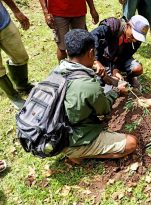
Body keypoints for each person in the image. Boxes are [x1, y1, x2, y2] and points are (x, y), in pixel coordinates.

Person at [54, 29, 137, 164]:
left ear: (68, 52)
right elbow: (103, 109)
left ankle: (75, 150)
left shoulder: (57, 71)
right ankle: (79, 153)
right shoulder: (87, 84)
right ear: (92, 52)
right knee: (131, 143)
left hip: (55, 134)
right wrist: (116, 91)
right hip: (72, 139)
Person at [91, 15, 149, 88]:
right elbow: (92, 37)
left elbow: (126, 56)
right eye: (133, 36)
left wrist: (116, 69)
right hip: (103, 58)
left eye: (137, 38)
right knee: (103, 81)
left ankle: (128, 78)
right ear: (128, 26)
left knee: (137, 68)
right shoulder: (113, 25)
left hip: (118, 60)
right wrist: (96, 61)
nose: (134, 40)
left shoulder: (136, 41)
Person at [0, 0, 33, 109]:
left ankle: (22, 86)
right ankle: (13, 96)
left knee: (21, 57)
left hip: (4, 24)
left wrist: (16, 11)